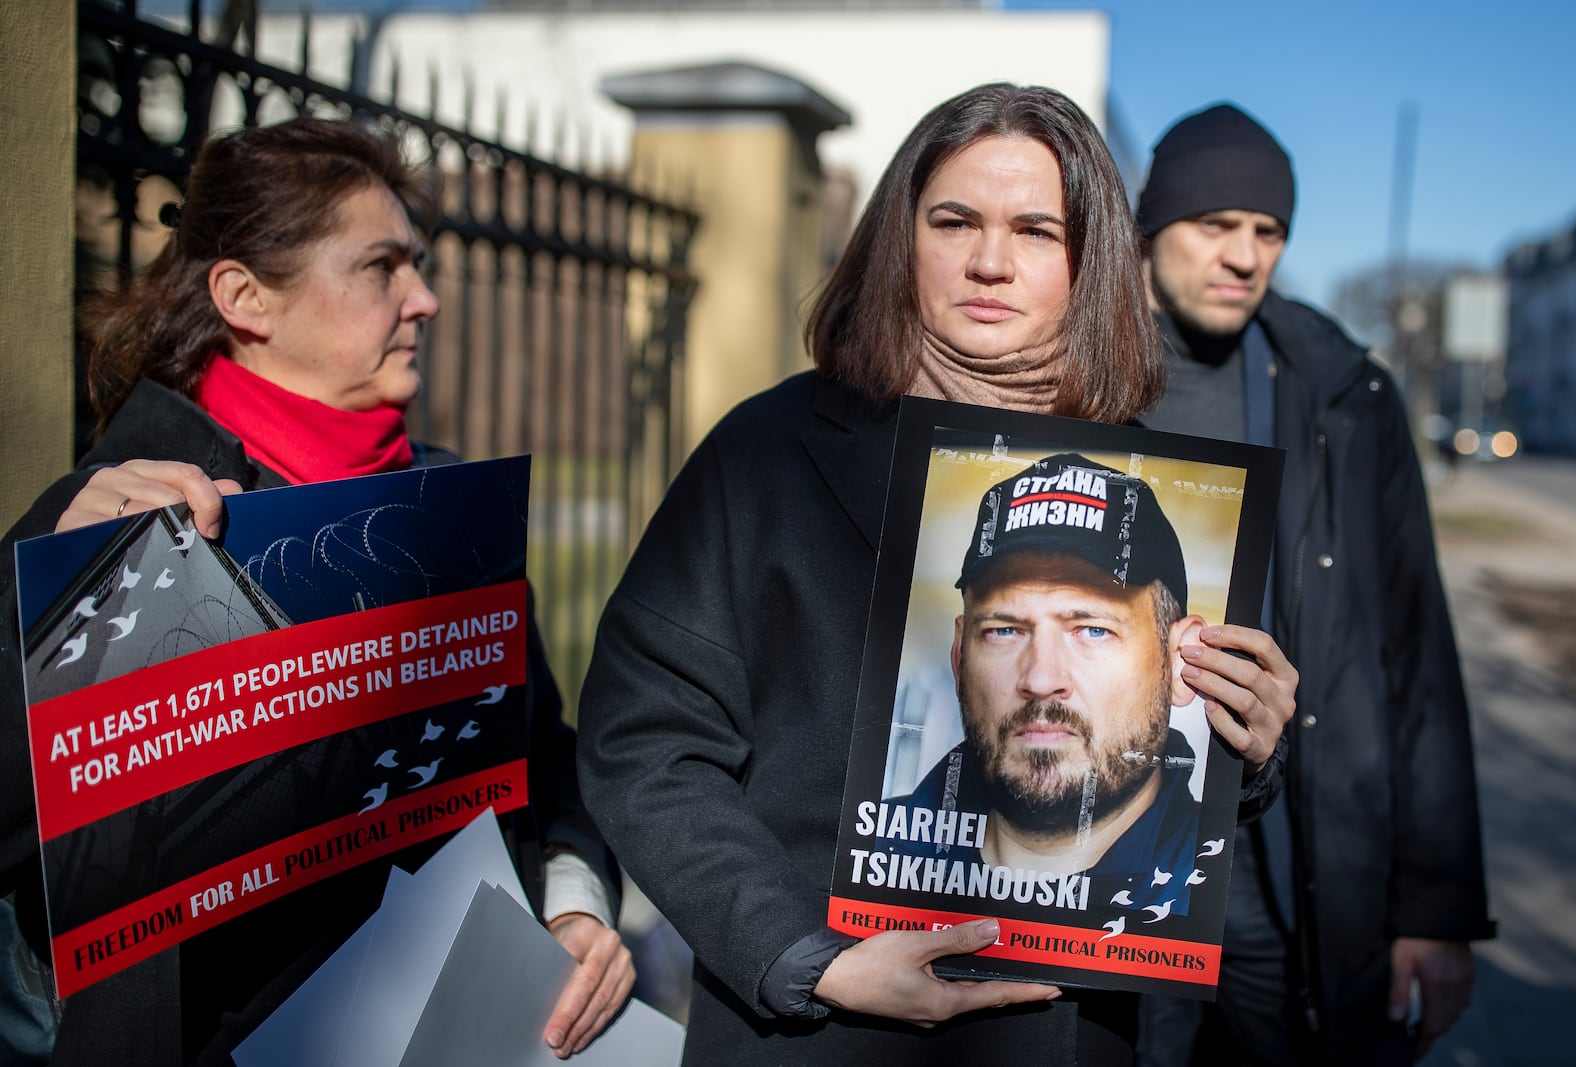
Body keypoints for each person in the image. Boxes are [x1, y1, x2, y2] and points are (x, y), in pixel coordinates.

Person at [576, 82, 1298, 1066]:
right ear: (897, 236)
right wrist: (801, 952)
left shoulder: (1156, 485)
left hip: (1058, 1032)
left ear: (1087, 262)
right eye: (953, 219)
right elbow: (645, 738)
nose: (990, 262)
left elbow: (1170, 763)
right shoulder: (769, 451)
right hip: (806, 1027)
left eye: (1036, 230)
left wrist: (1245, 744)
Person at [0, 118, 632, 1064]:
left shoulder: (448, 505)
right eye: (381, 267)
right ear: (245, 296)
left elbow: (545, 761)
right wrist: (58, 624)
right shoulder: (108, 516)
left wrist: (574, 903)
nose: (424, 299)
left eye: (416, 264)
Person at [1132, 103, 1494, 1065]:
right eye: (1215, 225)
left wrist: (1438, 908)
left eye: (1268, 232)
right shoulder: (1066, 377)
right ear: (1149, 225)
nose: (1244, 255)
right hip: (1113, 879)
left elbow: (1416, 659)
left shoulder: (1347, 397)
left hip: (1290, 877)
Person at [886, 453, 1206, 911]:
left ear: (1179, 662)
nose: (1040, 679)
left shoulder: (1217, 891)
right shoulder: (873, 857)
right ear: (960, 656)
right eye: (1003, 630)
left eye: (1093, 630)